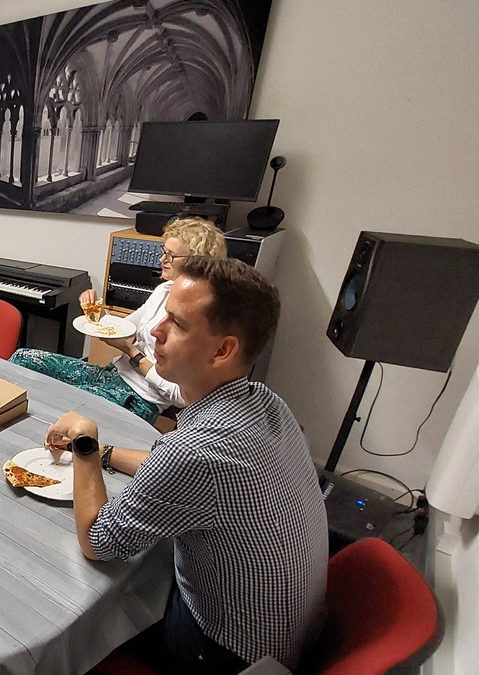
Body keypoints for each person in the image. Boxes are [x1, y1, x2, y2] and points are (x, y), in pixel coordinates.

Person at [46, 257, 327, 673]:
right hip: (289, 634)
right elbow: (183, 471)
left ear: (223, 349)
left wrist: (85, 442)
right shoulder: (269, 403)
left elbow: (97, 543)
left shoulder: (194, 452)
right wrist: (105, 455)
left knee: (82, 599)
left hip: (223, 654)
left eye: (176, 324)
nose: (154, 331)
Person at [11, 217, 227, 424]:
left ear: (196, 263)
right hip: (110, 373)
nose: (162, 260)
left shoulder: (199, 316)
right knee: (23, 358)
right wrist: (95, 311)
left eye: (171, 256)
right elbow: (123, 329)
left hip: (140, 399)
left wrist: (133, 353)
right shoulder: (163, 290)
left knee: (61, 408)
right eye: (164, 252)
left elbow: (180, 396)